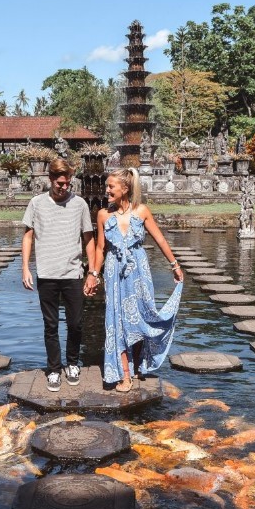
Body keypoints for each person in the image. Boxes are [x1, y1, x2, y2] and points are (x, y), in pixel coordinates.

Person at [88, 168, 184, 393]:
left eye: (111, 186)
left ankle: (140, 362)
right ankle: (125, 375)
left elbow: (159, 238)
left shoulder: (142, 212)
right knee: (117, 320)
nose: (107, 190)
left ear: (125, 188)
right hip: (114, 272)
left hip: (139, 271)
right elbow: (101, 248)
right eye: (107, 186)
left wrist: (175, 265)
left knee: (141, 314)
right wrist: (93, 275)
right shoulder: (103, 215)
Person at [22, 158, 94, 393]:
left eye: (67, 183)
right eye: (60, 183)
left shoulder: (80, 204)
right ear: (51, 179)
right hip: (47, 272)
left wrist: (92, 271)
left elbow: (88, 239)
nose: (64, 187)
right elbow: (28, 236)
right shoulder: (36, 203)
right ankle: (54, 369)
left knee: (75, 324)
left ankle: (72, 363)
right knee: (50, 325)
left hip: (73, 272)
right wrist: (25, 268)